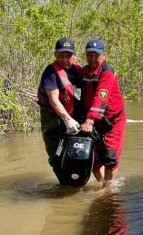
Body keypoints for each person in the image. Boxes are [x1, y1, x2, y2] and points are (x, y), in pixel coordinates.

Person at [80, 39, 126, 188]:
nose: (93, 59)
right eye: (90, 55)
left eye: (96, 55)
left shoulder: (107, 71)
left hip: (113, 121)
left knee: (110, 158)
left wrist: (89, 120)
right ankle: (102, 184)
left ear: (104, 55)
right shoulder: (85, 71)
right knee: (93, 159)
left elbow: (101, 96)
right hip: (95, 121)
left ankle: (107, 188)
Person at [37, 38, 83, 184]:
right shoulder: (50, 72)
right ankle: (64, 184)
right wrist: (67, 119)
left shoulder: (78, 70)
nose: (64, 60)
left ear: (74, 55)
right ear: (55, 55)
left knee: (78, 153)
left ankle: (77, 183)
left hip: (75, 119)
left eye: (68, 56)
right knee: (57, 156)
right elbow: (53, 100)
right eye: (60, 56)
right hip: (53, 121)